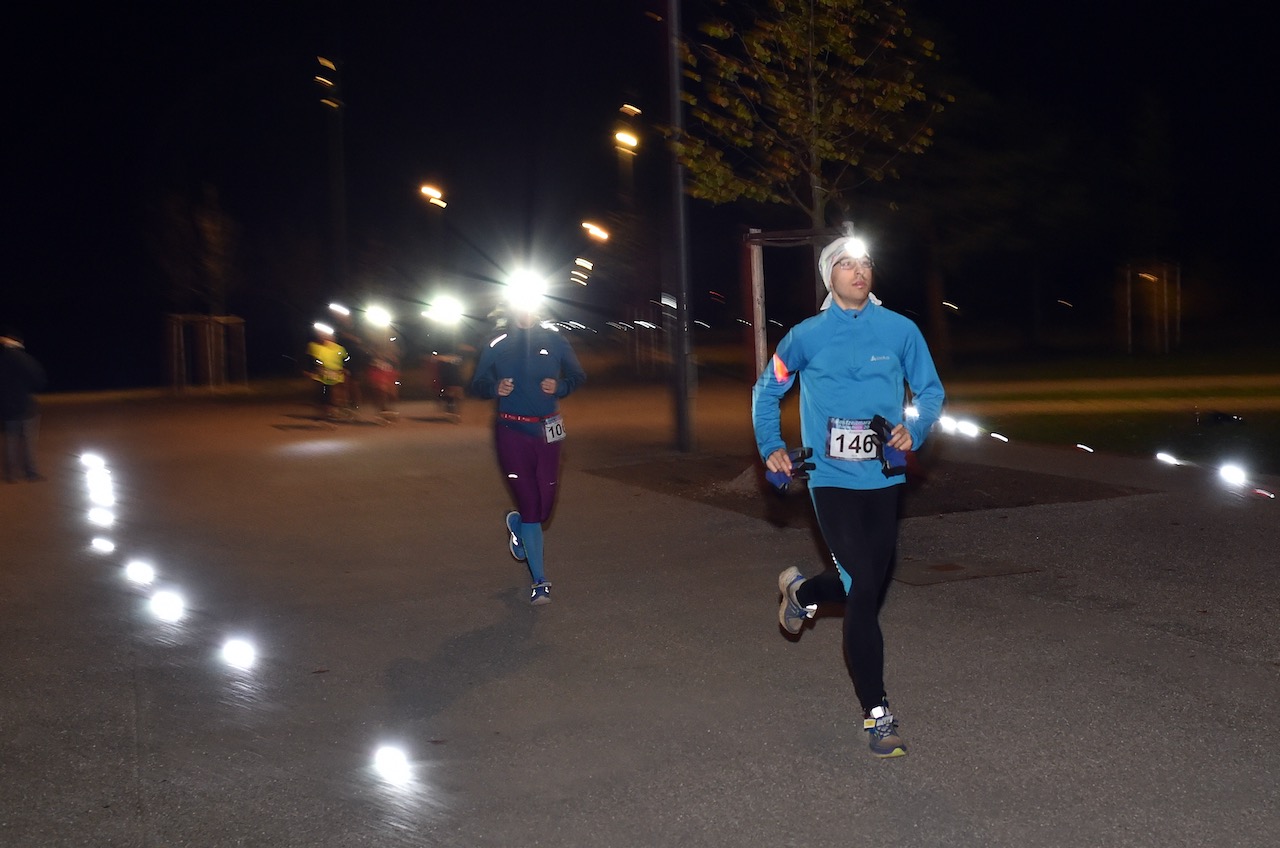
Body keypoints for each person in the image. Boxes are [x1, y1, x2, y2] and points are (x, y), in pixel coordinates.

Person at [751, 234, 945, 758]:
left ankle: (802, 595)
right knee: (862, 586)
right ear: (827, 276)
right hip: (830, 478)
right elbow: (767, 389)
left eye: (865, 262)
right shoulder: (804, 338)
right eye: (845, 263)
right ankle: (877, 713)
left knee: (858, 580)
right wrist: (771, 445)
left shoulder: (901, 331)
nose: (858, 271)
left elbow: (931, 392)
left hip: (884, 480)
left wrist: (915, 429)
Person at [469, 304, 586, 605]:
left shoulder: (555, 339)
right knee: (532, 505)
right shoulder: (498, 343)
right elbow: (477, 384)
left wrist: (560, 386)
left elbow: (577, 375)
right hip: (512, 432)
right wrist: (495, 386)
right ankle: (540, 582)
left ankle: (518, 525)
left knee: (544, 508)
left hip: (548, 431)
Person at [0, 327, 48, 483]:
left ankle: (11, 475)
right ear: (19, 341)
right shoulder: (23, 358)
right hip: (25, 406)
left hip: (7, 407)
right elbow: (39, 379)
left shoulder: (3, 358)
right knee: (28, 440)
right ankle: (31, 472)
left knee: (11, 441)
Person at [306, 326, 348, 419]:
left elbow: (346, 359)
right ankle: (325, 411)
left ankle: (337, 409)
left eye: (327, 335)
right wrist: (312, 369)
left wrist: (345, 368)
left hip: (337, 374)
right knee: (323, 392)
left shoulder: (339, 348)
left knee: (336, 392)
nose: (325, 337)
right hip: (321, 374)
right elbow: (311, 359)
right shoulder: (314, 346)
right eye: (321, 335)